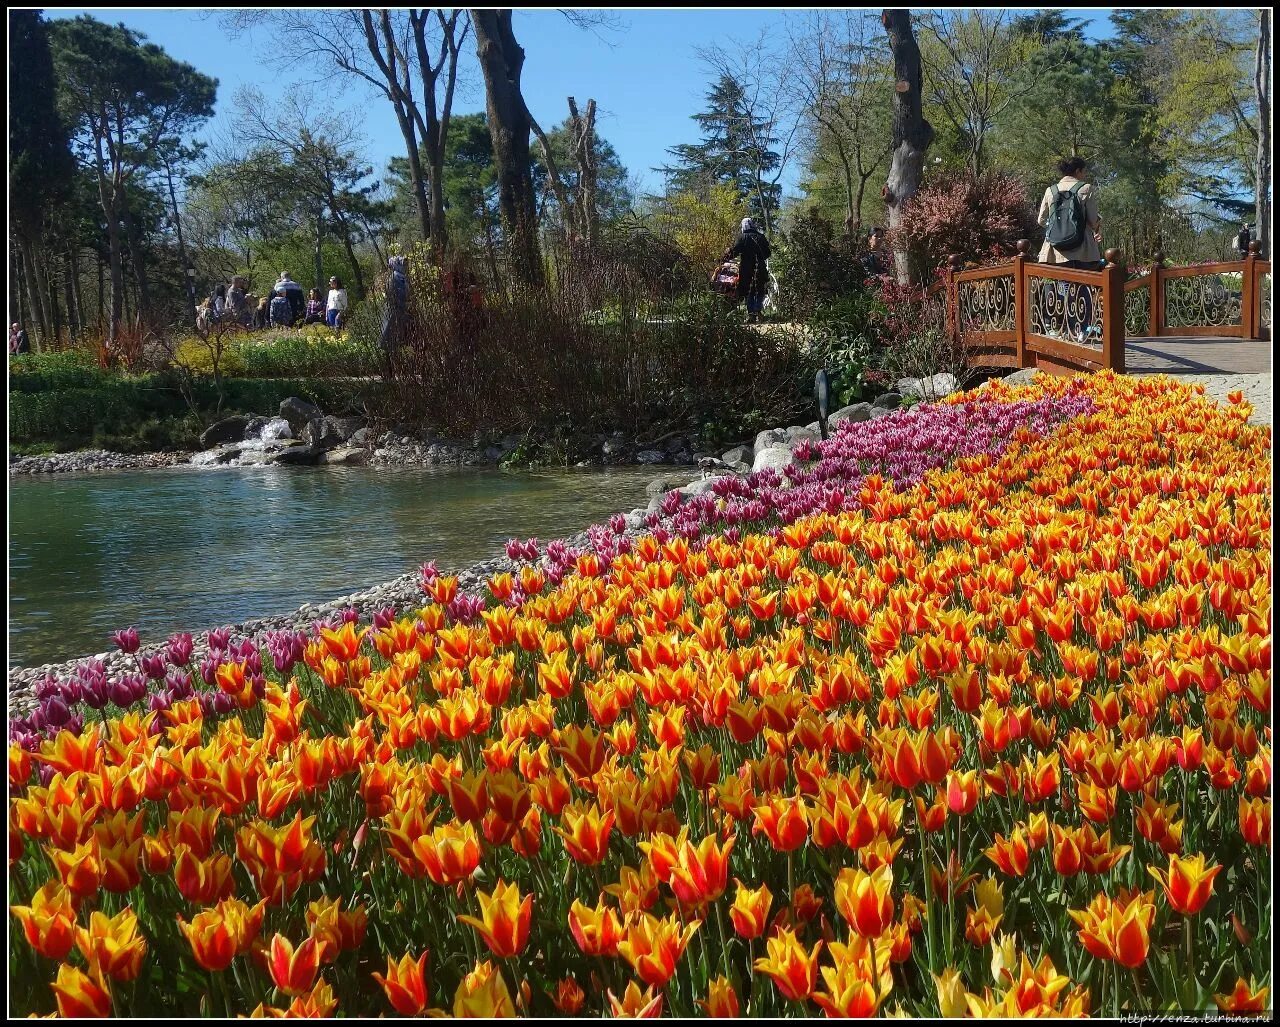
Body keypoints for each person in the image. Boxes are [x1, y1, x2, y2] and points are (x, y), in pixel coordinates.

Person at [1038, 157, 1103, 342]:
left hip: (1054, 250)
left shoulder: (1050, 191)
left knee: (1056, 287)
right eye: (1084, 171)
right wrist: (1099, 222)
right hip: (1081, 248)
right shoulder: (1086, 188)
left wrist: (1059, 229)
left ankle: (1054, 326)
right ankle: (1081, 329)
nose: (1085, 174)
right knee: (1082, 287)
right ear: (1078, 171)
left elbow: (1041, 220)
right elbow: (1092, 220)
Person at [721, 216, 772, 324]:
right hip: (760, 267)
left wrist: (723, 259)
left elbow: (735, 251)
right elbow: (767, 253)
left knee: (749, 290)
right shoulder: (761, 237)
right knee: (759, 289)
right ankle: (757, 310)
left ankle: (751, 315)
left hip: (746, 269)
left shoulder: (743, 237)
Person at [378, 256, 410, 365]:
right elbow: (393, 296)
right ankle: (390, 371)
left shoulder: (402, 277)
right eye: (403, 264)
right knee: (390, 343)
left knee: (398, 342)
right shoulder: (394, 278)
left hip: (402, 312)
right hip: (394, 313)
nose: (405, 266)